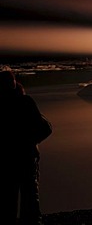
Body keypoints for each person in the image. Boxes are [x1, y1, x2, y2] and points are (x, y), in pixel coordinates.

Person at [0, 70, 53, 225]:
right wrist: (30, 141)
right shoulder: (25, 102)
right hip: (26, 158)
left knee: (7, 198)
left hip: (6, 160)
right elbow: (46, 128)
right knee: (30, 196)